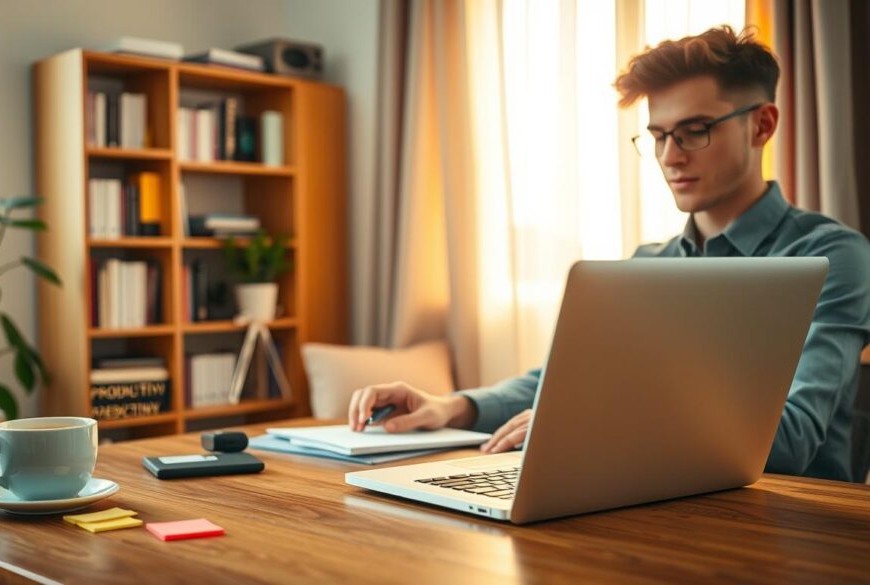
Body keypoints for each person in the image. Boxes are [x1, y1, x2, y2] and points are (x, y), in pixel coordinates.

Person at [347, 26, 870, 482]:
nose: (670, 156)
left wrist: (603, 418)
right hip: (661, 504)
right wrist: (453, 406)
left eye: (695, 131)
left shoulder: (831, 256)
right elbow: (557, 380)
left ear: (762, 125)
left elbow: (795, 438)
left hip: (794, 522)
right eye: (659, 136)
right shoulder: (650, 265)